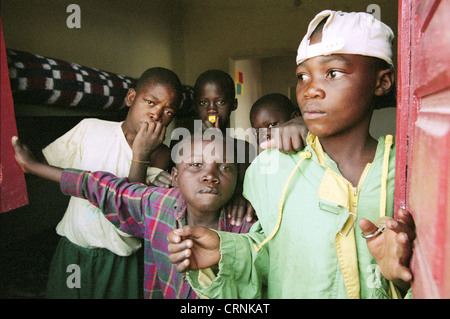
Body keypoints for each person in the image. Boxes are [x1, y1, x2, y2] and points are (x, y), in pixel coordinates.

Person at [166, 10, 416, 299]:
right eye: (302, 76)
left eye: (333, 73)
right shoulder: (271, 169)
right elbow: (271, 257)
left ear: (382, 82)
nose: (310, 90)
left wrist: (401, 280)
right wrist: (227, 253)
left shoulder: (409, 173)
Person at [12, 131, 254, 299]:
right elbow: (102, 187)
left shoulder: (247, 227)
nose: (210, 174)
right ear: (175, 177)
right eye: (195, 165)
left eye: (224, 167)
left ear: (236, 181)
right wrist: (33, 166)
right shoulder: (157, 205)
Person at [40, 67, 182, 298]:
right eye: (150, 102)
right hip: (73, 248)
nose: (156, 114)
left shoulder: (160, 154)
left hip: (120, 260)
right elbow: (47, 165)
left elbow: (132, 209)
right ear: (131, 98)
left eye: (168, 111)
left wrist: (141, 154)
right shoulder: (90, 129)